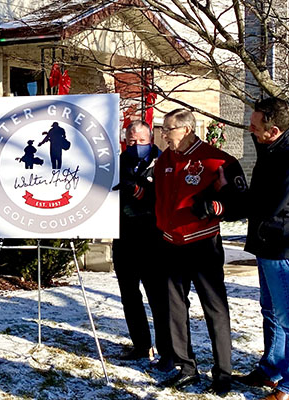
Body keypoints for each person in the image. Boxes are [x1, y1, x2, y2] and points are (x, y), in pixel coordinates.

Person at [153, 109, 247, 395]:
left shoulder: (216, 160)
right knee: (175, 308)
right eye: (163, 128)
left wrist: (217, 207)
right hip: (171, 243)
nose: (164, 134)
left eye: (168, 129)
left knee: (214, 308)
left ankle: (223, 373)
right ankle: (186, 367)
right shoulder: (163, 160)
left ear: (187, 129)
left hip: (202, 242)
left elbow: (240, 203)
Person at [236, 98, 289, 400]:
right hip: (269, 244)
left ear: (275, 129)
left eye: (256, 127)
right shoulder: (272, 147)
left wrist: (237, 193)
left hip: (285, 247)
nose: (251, 130)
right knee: (271, 311)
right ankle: (272, 368)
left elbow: (268, 206)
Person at [111, 120, 172, 368]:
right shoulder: (117, 162)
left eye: (141, 141)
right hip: (124, 238)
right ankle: (141, 345)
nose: (136, 145)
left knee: (158, 297)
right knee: (129, 295)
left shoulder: (164, 162)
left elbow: (166, 197)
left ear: (151, 139)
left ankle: (167, 350)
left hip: (153, 240)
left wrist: (139, 192)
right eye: (131, 141)